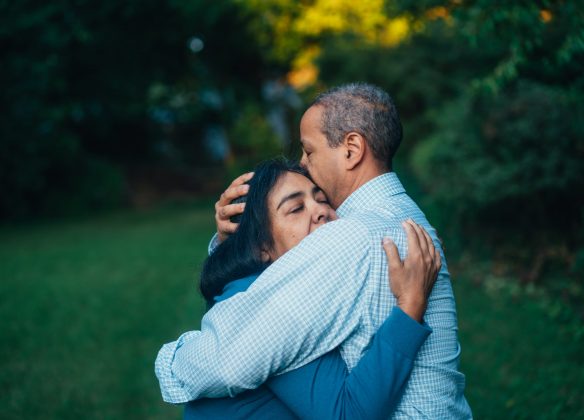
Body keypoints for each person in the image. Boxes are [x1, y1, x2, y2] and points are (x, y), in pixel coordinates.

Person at [156, 83, 472, 418]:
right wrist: (233, 239)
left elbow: (227, 361)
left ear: (351, 149)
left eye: (309, 151)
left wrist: (171, 360)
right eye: (295, 208)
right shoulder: (405, 218)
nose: (303, 164)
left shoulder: (351, 236)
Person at [180, 158, 440, 418]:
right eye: (296, 208)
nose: (320, 211)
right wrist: (410, 305)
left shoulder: (273, 284)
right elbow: (348, 414)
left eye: (322, 199)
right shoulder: (274, 307)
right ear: (261, 248)